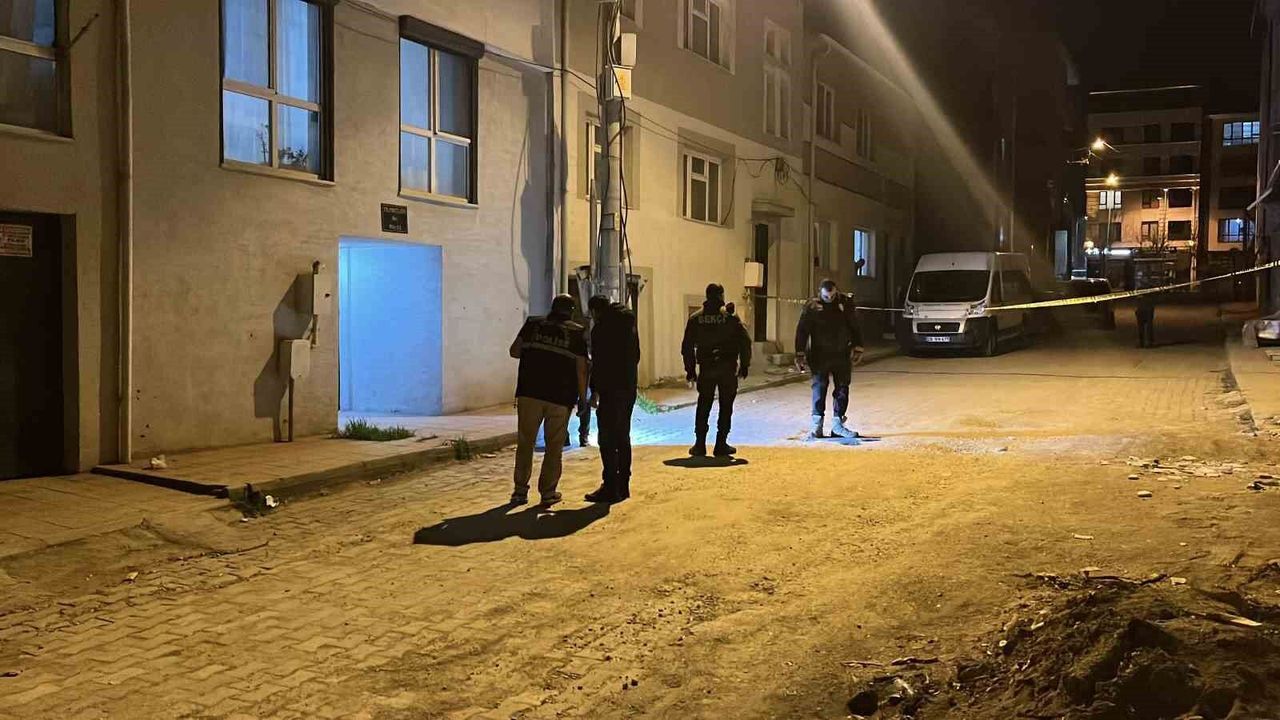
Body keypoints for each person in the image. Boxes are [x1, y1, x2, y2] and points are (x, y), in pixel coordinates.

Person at [508, 294, 588, 507]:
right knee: (554, 446)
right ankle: (548, 492)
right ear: (571, 311)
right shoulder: (576, 332)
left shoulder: (533, 324)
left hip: (529, 393)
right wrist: (582, 398)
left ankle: (519, 491)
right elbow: (581, 369)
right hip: (560, 397)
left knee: (525, 443)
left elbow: (514, 351)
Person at [681, 283, 752, 457]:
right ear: (721, 296)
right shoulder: (730, 317)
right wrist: (744, 365)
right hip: (727, 368)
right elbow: (745, 342)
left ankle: (699, 444)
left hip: (707, 368)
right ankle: (721, 444)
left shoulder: (696, 318)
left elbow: (687, 347)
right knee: (726, 406)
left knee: (703, 405)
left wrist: (690, 370)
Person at [584, 295, 641, 503]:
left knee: (607, 439)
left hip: (610, 390)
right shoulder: (629, 324)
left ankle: (610, 486)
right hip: (628, 387)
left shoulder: (600, 329)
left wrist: (594, 391)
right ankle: (623, 484)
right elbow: (636, 356)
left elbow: (599, 363)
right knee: (623, 436)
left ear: (594, 311)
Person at [795, 279, 865, 439]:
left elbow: (854, 325)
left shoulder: (845, 303)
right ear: (820, 293)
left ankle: (837, 425)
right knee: (819, 388)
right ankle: (817, 425)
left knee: (842, 388)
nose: (830, 299)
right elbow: (802, 330)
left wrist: (858, 346)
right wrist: (799, 353)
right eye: (827, 297)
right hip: (819, 355)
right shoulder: (812, 306)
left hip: (841, 353)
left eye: (832, 296)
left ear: (836, 291)